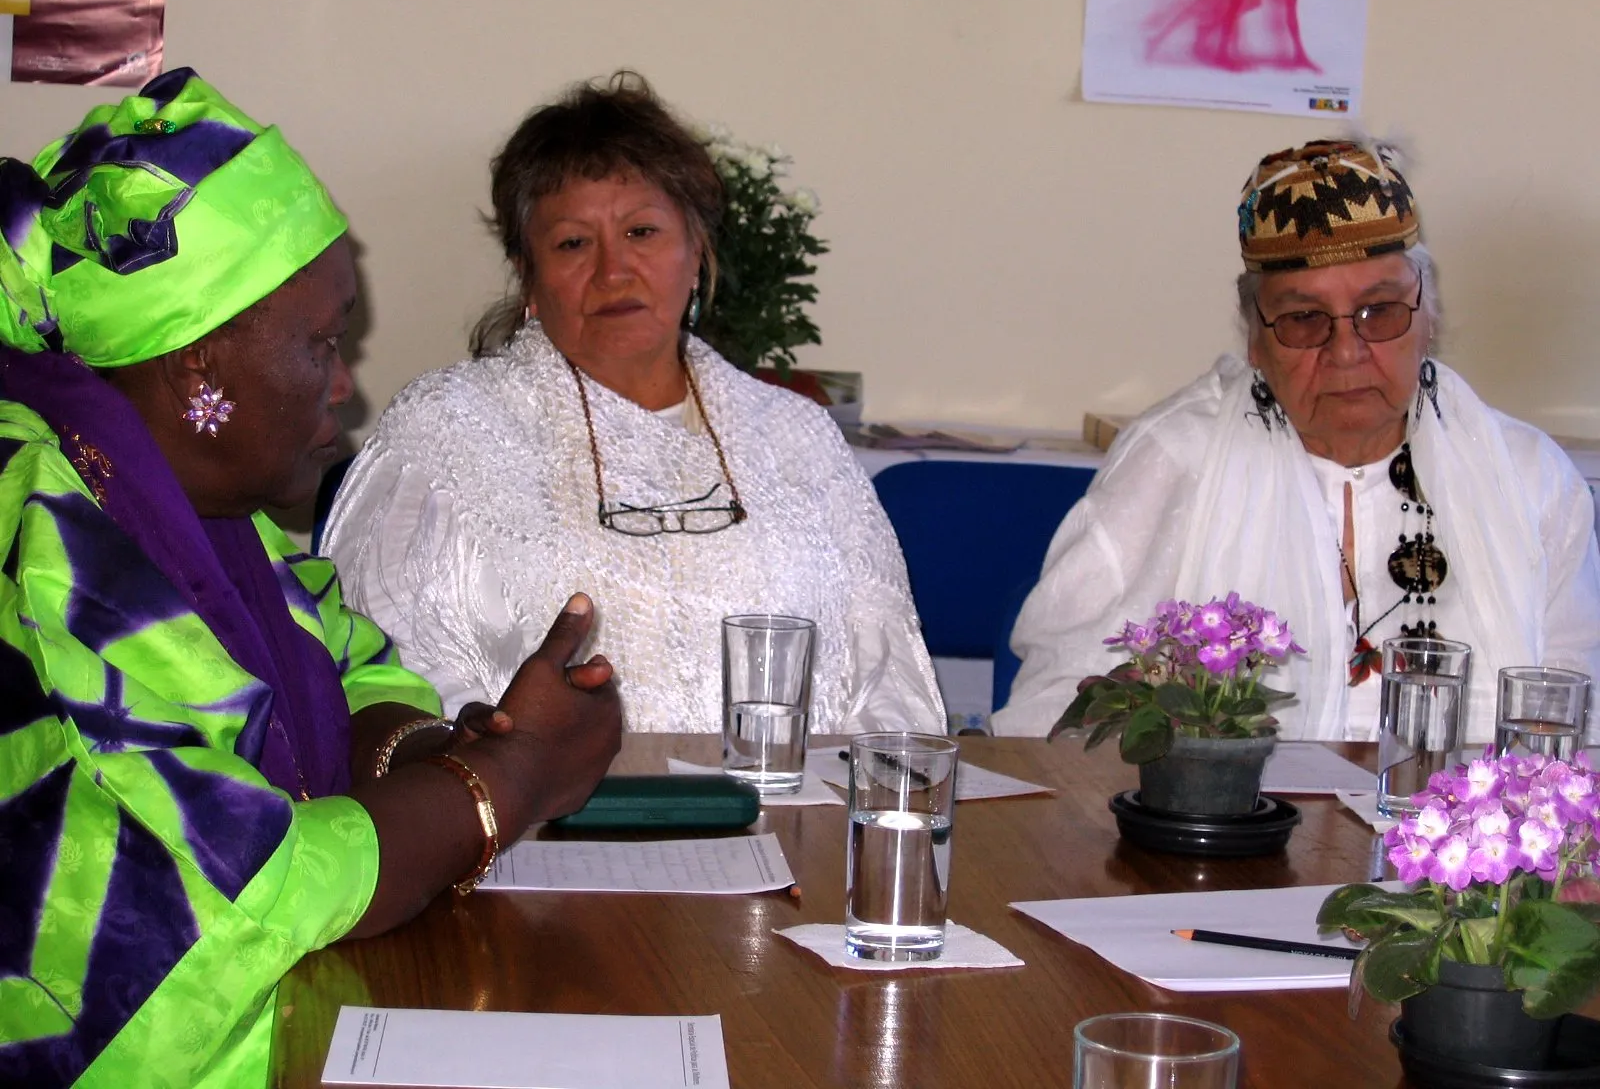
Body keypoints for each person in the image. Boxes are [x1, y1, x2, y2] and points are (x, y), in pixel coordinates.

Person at [0, 69, 622, 1087]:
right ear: (200, 370)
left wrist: (442, 745)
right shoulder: (51, 556)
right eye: (322, 345)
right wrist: (503, 787)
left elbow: (350, 665)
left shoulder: (215, 523)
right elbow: (239, 888)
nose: (346, 384)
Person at [322, 72, 945, 734]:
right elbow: (398, 673)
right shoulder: (447, 430)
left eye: (642, 232)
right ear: (527, 274)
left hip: (794, 817)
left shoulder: (797, 435)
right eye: (572, 243)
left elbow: (890, 682)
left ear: (696, 248)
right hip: (544, 827)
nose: (612, 271)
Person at [994, 139, 1600, 743]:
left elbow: (1580, 719)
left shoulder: (1529, 479)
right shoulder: (1174, 461)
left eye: (1380, 311)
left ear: (1428, 317)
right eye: (1304, 319)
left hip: (1462, 833)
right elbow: (1055, 710)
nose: (1345, 352)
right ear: (1254, 339)